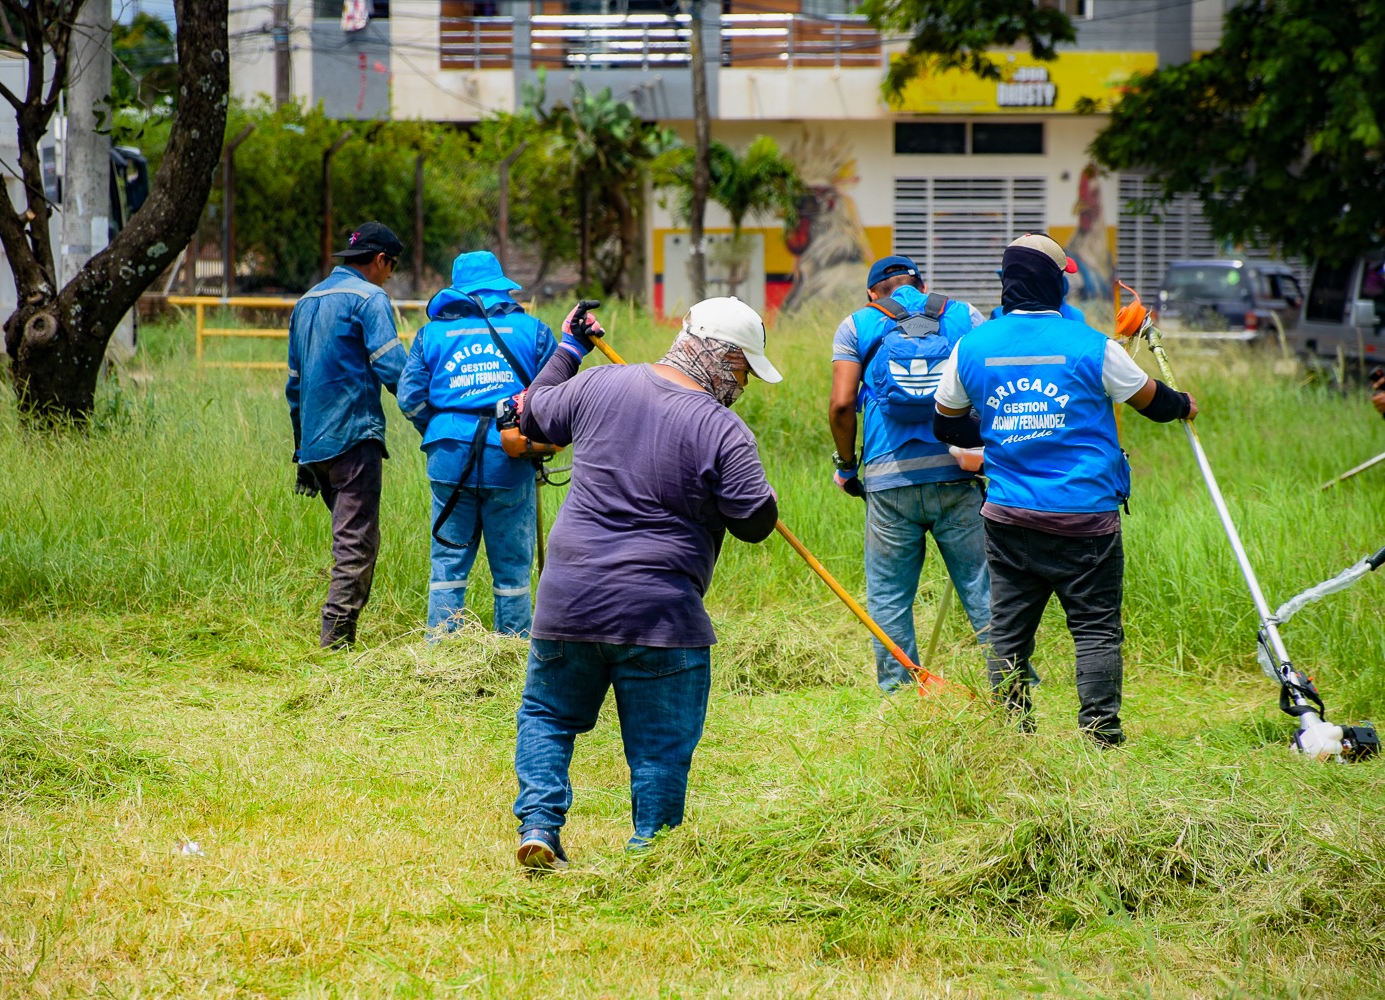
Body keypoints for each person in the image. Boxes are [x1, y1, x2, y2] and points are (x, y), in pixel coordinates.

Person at [500, 297, 782, 868]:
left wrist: (568, 351)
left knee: (549, 717)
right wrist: (760, 498)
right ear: (720, 358)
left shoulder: (601, 384)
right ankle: (649, 849)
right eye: (743, 369)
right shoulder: (723, 429)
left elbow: (524, 412)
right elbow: (754, 522)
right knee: (660, 747)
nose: (743, 383)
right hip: (662, 615)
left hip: (569, 600)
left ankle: (539, 823)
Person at [933, 234, 1198, 746]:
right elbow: (1153, 403)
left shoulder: (973, 346)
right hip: (1086, 522)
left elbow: (946, 424)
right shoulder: (1092, 347)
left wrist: (999, 433)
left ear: (1007, 285)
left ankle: (1012, 735)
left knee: (1008, 633)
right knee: (1096, 630)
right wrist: (1184, 402)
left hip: (1009, 517)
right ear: (1057, 284)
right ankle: (1101, 737)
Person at [828, 255, 1012, 693]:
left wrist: (847, 468)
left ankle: (900, 694)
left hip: (889, 479)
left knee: (890, 596)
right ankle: (1012, 688)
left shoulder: (857, 325)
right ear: (921, 285)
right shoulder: (964, 315)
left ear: (873, 293)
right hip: (957, 469)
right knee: (982, 589)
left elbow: (840, 405)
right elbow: (993, 386)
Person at [397, 251, 557, 637]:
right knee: (513, 565)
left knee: (448, 561)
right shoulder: (532, 331)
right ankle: (515, 647)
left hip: (449, 457)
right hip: (510, 457)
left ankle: (443, 650)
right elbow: (556, 396)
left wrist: (440, 428)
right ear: (501, 287)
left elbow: (409, 397)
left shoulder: (430, 334)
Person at [287, 222, 408, 649]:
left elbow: (294, 385)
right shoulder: (370, 298)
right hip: (354, 438)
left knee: (350, 540)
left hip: (316, 444)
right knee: (356, 546)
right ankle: (334, 646)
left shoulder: (307, 301)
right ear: (380, 261)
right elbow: (394, 367)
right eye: (390, 267)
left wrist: (302, 450)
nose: (388, 276)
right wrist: (433, 416)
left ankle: (337, 639)